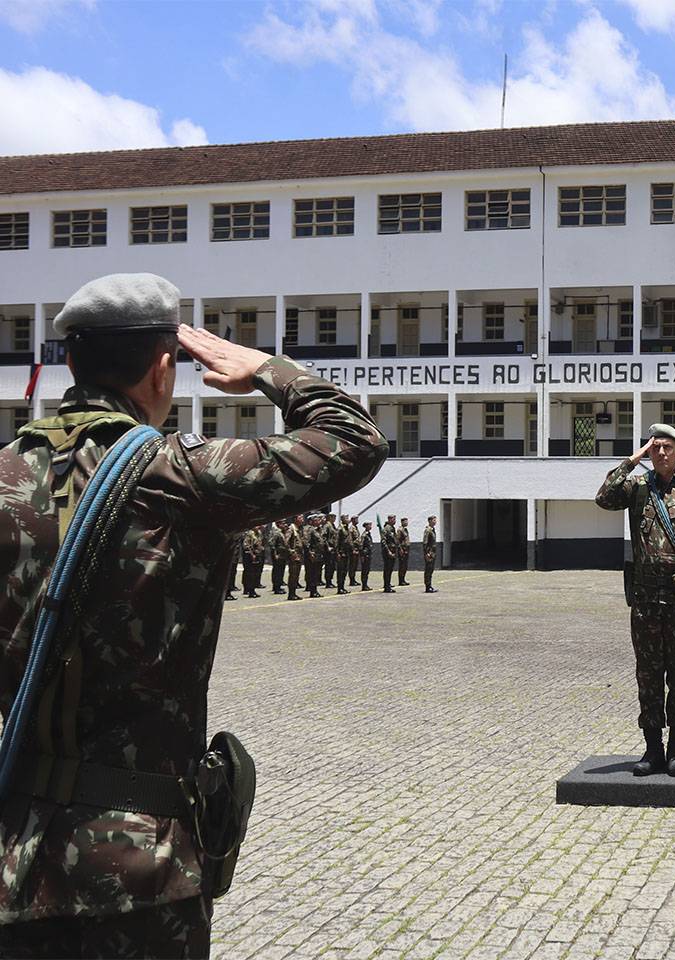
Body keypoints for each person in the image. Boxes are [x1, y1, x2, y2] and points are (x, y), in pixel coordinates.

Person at [0, 273, 387, 956]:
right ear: (162, 368)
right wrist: (269, 370)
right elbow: (354, 441)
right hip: (141, 866)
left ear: (70, 363)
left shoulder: (4, 474)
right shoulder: (179, 475)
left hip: (12, 856)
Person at [595, 423, 675, 777]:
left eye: (668, 447)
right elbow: (604, 497)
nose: (662, 453)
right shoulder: (637, 489)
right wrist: (630, 460)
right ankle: (653, 750)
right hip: (646, 602)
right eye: (655, 448)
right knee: (648, 676)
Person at [285, 516, 305, 602]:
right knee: (293, 575)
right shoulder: (291, 529)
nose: (302, 519)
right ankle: (291, 594)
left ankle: (293, 593)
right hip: (294, 556)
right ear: (295, 519)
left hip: (299, 556)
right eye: (300, 518)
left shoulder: (298, 529)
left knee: (296, 575)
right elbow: (286, 542)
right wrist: (292, 552)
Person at [240, 526, 263, 598]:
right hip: (249, 556)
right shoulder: (249, 533)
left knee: (255, 573)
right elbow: (246, 545)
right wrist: (252, 554)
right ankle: (250, 590)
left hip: (256, 555)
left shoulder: (258, 533)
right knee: (250, 573)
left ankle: (252, 589)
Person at [269, 519, 288, 595]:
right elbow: (271, 543)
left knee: (281, 571)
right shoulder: (276, 533)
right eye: (283, 523)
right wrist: (275, 554)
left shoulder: (282, 532)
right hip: (278, 555)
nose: (284, 525)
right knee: (277, 571)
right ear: (278, 524)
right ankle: (276, 587)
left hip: (282, 555)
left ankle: (278, 586)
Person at [334, 514, 351, 595]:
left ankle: (342, 587)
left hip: (346, 553)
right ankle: (339, 588)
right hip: (341, 553)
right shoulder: (340, 529)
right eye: (346, 518)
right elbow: (336, 542)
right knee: (340, 571)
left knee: (344, 571)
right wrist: (337, 553)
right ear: (342, 519)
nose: (348, 519)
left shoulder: (346, 528)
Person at [381, 514, 397, 593]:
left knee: (390, 569)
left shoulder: (392, 528)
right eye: (393, 519)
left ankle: (388, 584)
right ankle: (386, 587)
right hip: (388, 553)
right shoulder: (386, 529)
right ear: (389, 519)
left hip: (393, 551)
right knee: (387, 569)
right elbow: (383, 542)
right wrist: (389, 552)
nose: (395, 521)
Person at [423, 515, 438, 593]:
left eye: (435, 520)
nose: (435, 521)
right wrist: (426, 553)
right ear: (430, 521)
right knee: (428, 570)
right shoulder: (428, 530)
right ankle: (427, 587)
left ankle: (430, 585)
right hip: (429, 553)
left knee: (431, 570)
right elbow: (425, 543)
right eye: (434, 520)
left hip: (432, 553)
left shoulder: (432, 530)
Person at [359, 521, 374, 591]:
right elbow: (361, 545)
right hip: (365, 555)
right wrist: (362, 555)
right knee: (364, 570)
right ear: (366, 526)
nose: (371, 526)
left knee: (367, 570)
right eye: (369, 525)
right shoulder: (364, 535)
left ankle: (366, 584)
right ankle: (364, 585)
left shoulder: (368, 534)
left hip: (368, 554)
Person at [346, 516, 360, 588]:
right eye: (356, 519)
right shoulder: (351, 528)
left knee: (355, 565)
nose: (357, 520)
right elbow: (350, 540)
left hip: (357, 549)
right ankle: (351, 579)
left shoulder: (355, 528)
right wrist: (353, 549)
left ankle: (353, 579)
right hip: (353, 549)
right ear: (352, 520)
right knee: (352, 565)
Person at [397, 516, 411, 586]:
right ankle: (400, 580)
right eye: (405, 521)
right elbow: (398, 540)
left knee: (405, 565)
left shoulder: (405, 530)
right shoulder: (400, 530)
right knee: (402, 565)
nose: (406, 523)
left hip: (406, 550)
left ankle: (403, 579)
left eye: (407, 521)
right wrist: (400, 549)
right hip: (402, 549)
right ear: (402, 522)